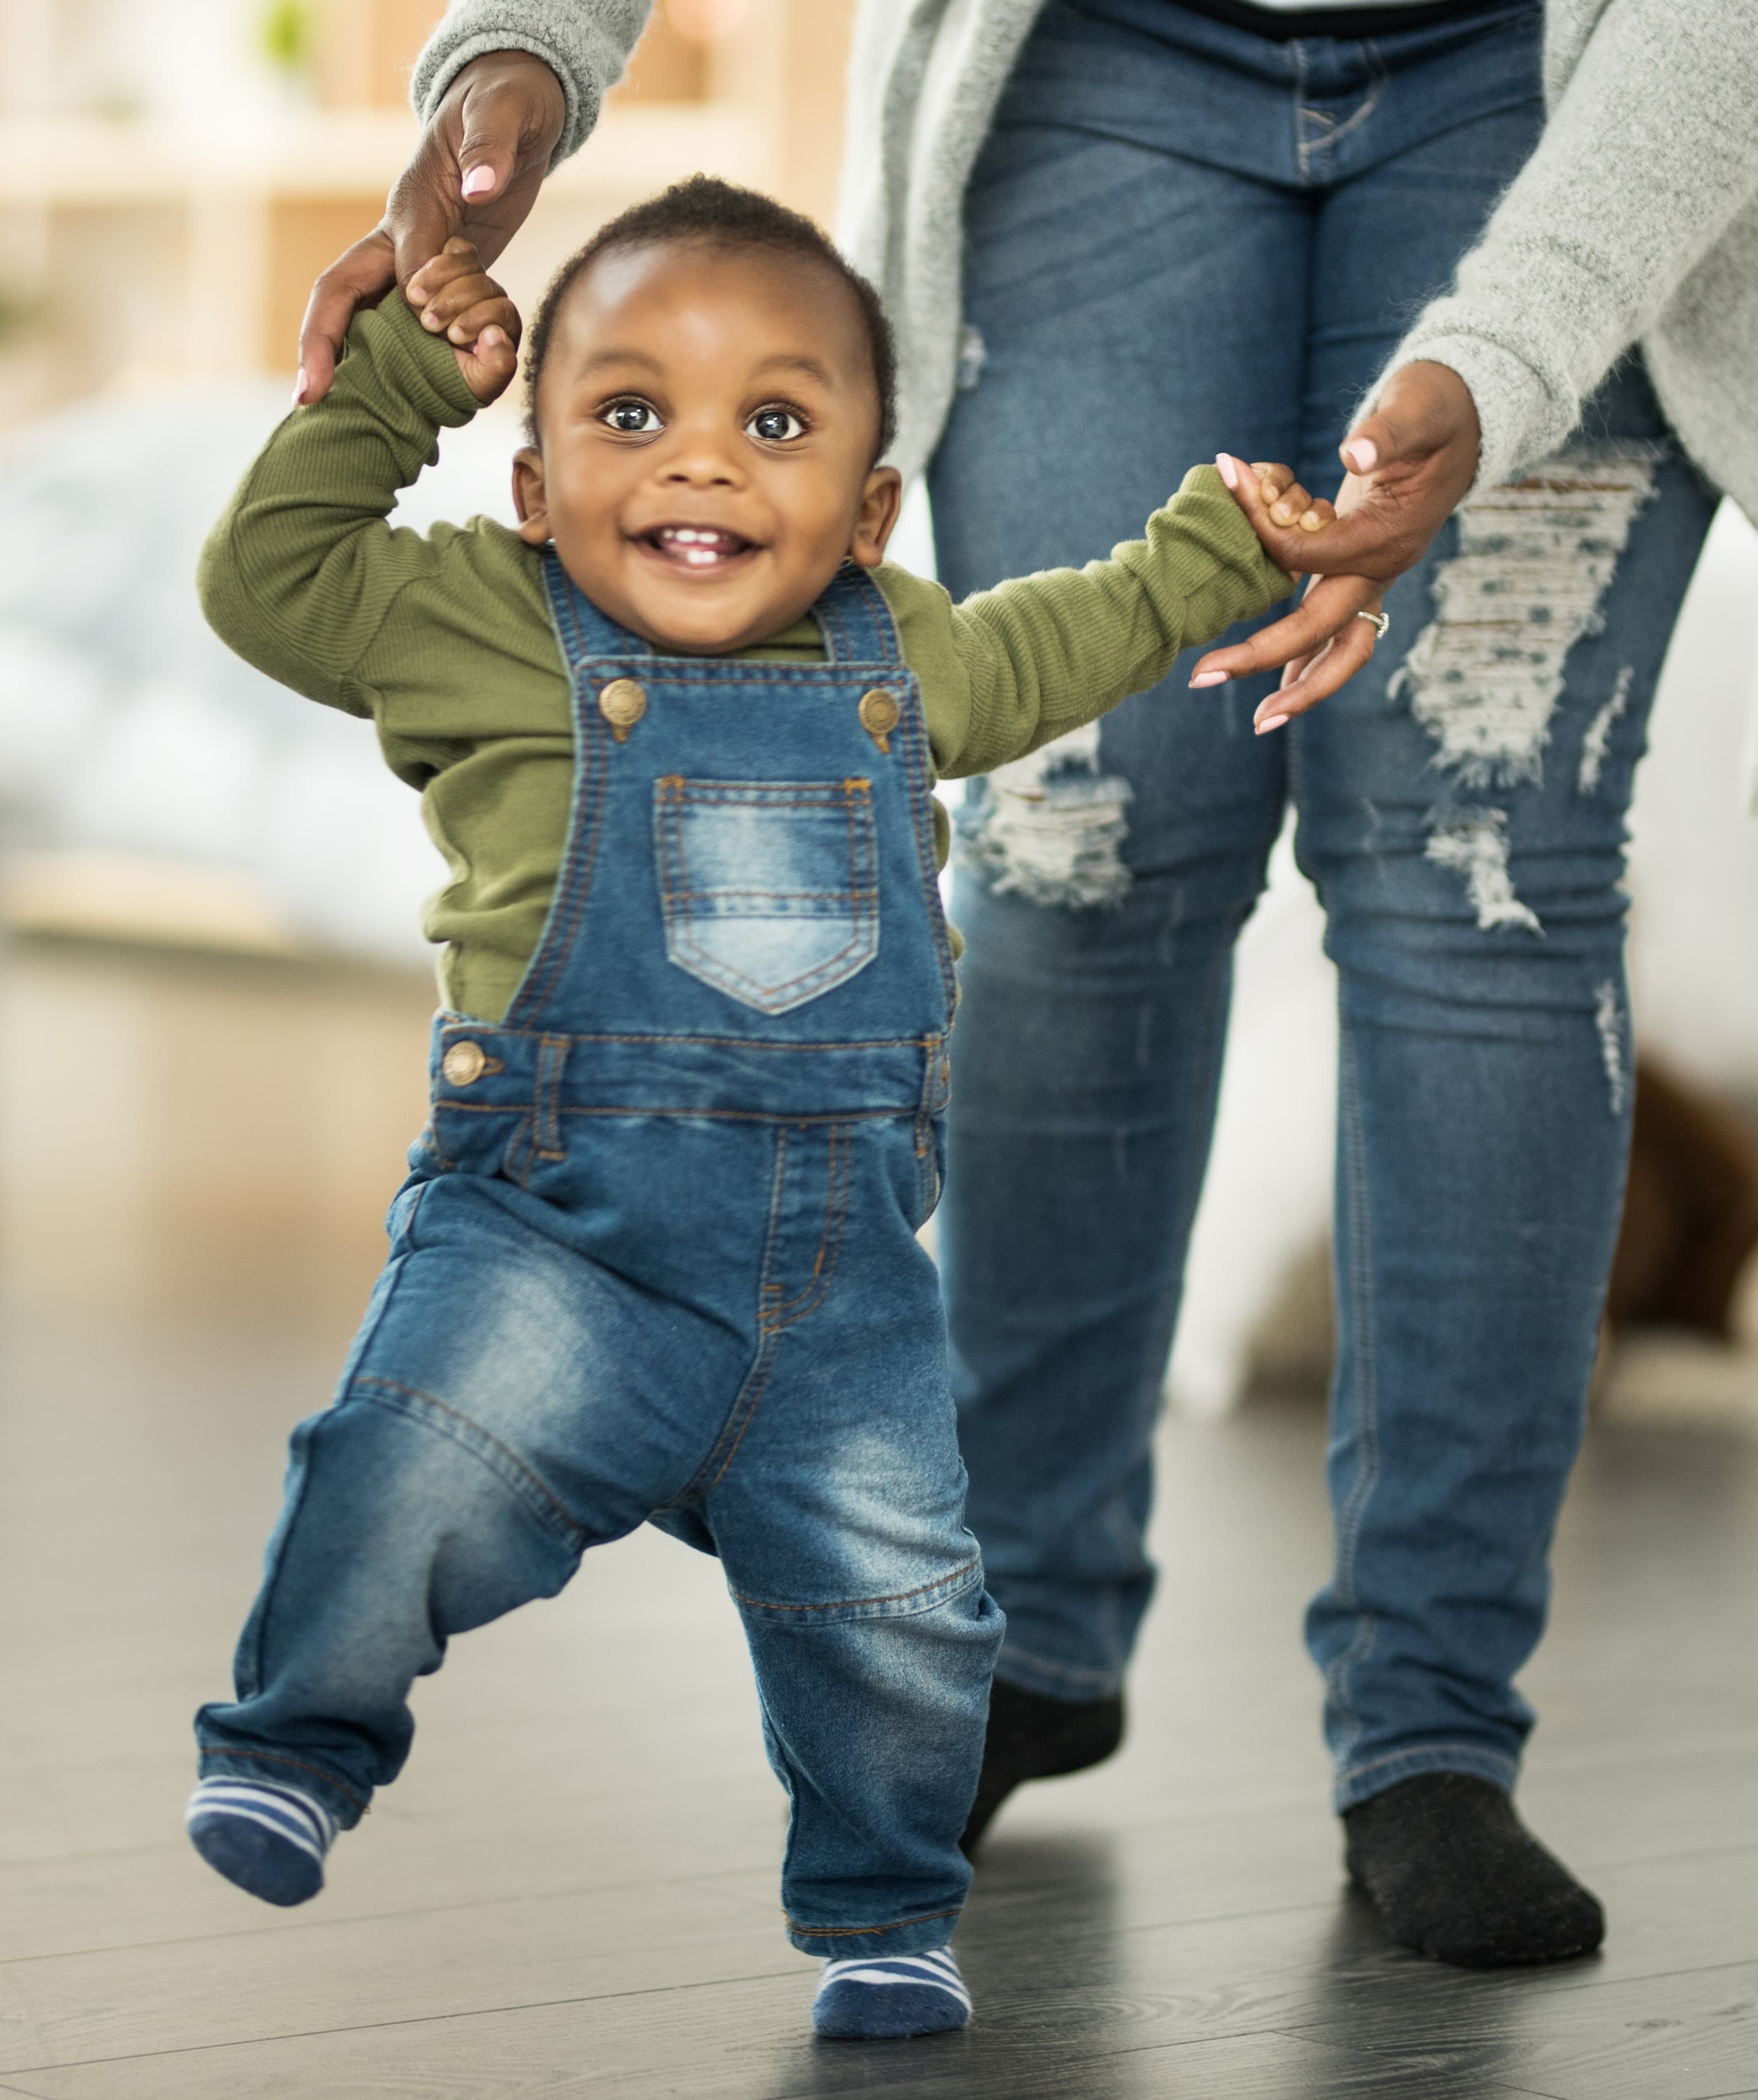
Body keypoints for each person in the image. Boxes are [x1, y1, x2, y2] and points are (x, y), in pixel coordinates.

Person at [289, 0, 1758, 1973]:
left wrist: (1501, 361)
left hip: (1566, 85)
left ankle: (1432, 1731)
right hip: (1094, 75)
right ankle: (1022, 1635)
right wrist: (530, 50)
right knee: (1076, 849)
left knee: (1481, 883)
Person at [184, 176, 1301, 2040]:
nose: (699, 468)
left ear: (869, 508)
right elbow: (266, 578)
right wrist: (393, 381)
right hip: (557, 1244)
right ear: (534, 482)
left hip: (842, 1289)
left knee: (910, 1620)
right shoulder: (477, 616)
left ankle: (884, 1913)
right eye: (630, 415)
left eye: (772, 425)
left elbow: (1082, 632)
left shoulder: (909, 651)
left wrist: (1218, 551)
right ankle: (297, 1740)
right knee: (402, 1462)